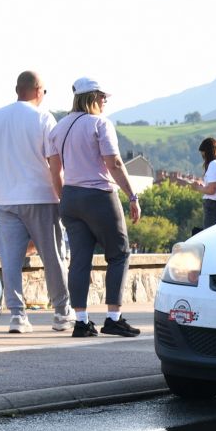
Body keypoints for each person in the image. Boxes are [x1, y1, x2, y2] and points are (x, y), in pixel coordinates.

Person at [46, 77, 141, 338]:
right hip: (99, 195)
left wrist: (64, 197)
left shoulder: (58, 129)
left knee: (79, 260)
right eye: (101, 96)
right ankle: (113, 317)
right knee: (119, 254)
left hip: (70, 198)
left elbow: (55, 170)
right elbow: (115, 164)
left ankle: (81, 321)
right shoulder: (100, 124)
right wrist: (132, 196)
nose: (105, 100)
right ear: (91, 97)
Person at [0, 70, 69, 334]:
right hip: (40, 196)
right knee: (52, 256)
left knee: (10, 260)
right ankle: (62, 312)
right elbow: (56, 164)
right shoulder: (44, 118)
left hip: (4, 198)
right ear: (38, 90)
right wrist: (63, 196)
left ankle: (18, 316)